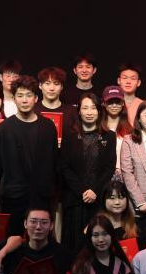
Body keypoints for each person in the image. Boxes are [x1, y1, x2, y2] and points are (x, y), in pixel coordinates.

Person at [0, 76, 60, 236]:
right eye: (20, 95)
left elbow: (54, 161)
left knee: (42, 240)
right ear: (14, 98)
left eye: (28, 95)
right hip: (13, 197)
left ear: (36, 98)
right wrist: (12, 180)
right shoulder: (3, 129)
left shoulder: (48, 127)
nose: (24, 100)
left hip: (42, 196)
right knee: (13, 239)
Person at [60, 93, 118, 251]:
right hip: (75, 199)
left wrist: (95, 191)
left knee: (98, 244)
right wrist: (82, 191)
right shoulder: (69, 136)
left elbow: (110, 167)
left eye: (93, 108)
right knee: (74, 245)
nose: (89, 112)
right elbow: (64, 166)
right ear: (79, 111)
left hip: (98, 200)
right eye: (85, 108)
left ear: (99, 111)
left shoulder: (109, 136)